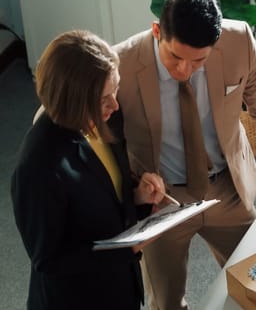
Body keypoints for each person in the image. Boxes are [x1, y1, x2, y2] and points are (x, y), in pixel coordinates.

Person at [113, 0, 256, 309]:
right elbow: (102, 135)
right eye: (175, 57)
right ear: (156, 31)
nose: (184, 71)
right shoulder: (121, 62)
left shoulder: (239, 41)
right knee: (166, 302)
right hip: (161, 200)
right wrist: (132, 190)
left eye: (198, 61)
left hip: (226, 188)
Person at [11, 30, 167, 310]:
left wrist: (137, 197)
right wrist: (126, 250)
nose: (115, 104)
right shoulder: (38, 167)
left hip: (119, 289)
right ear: (73, 99)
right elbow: (50, 259)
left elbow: (101, 194)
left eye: (115, 90)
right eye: (104, 97)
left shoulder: (105, 118)